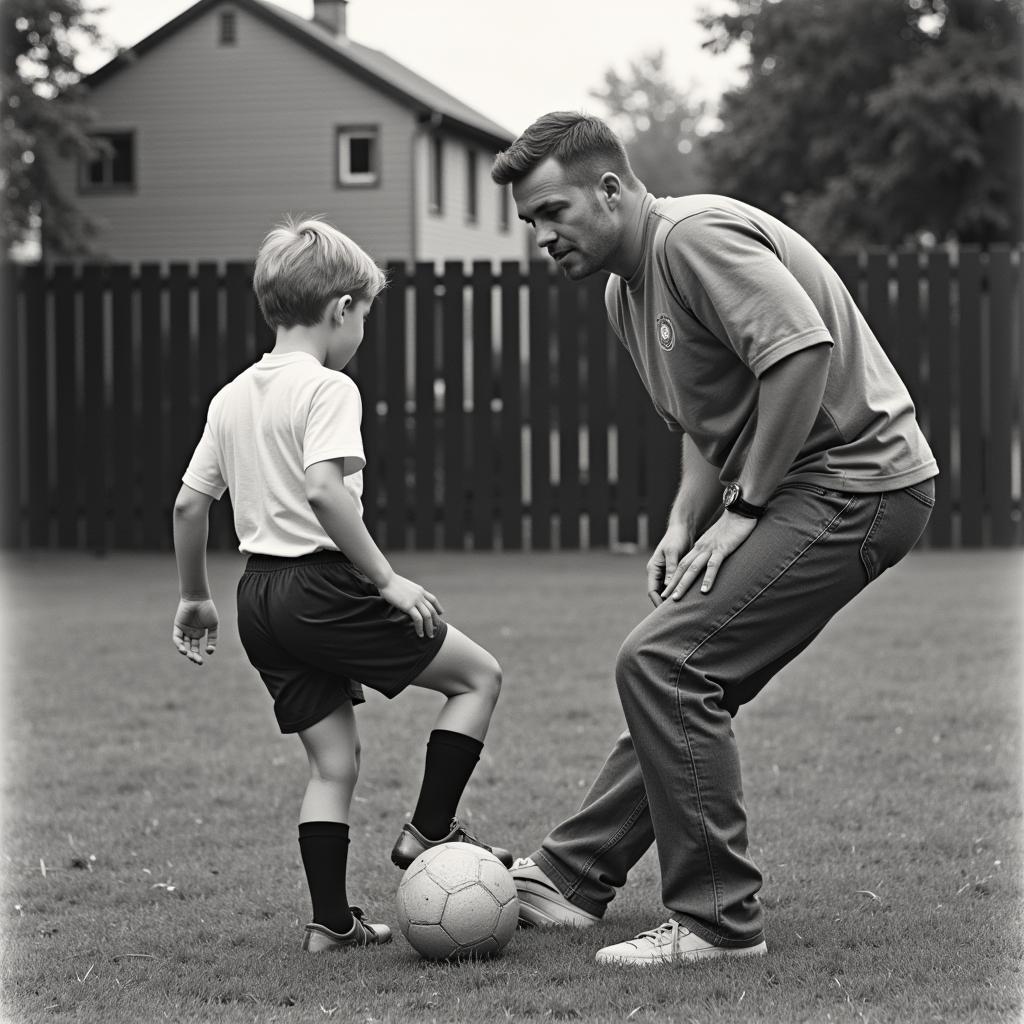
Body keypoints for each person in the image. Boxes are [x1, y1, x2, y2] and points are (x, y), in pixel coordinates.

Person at [491, 113, 938, 966]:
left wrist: (743, 509)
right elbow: (706, 419)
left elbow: (799, 354)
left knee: (668, 662)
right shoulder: (626, 291)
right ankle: (570, 875)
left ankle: (718, 924)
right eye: (530, 223)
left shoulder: (690, 240)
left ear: (612, 189)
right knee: (682, 663)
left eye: (553, 211)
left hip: (857, 480)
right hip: (801, 484)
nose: (542, 237)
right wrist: (683, 522)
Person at [171, 216, 510, 954]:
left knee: (333, 764)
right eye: (367, 315)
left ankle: (331, 924)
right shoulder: (328, 388)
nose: (364, 332)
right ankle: (428, 831)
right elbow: (326, 492)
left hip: (258, 596)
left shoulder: (231, 397)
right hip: (322, 585)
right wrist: (385, 579)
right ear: (342, 309)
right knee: (479, 677)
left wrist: (194, 595)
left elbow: (190, 504)